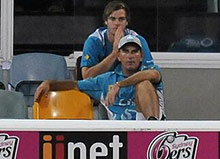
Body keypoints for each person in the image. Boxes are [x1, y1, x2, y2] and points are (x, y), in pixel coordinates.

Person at [35, 35, 165, 120]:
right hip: (119, 138)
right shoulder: (106, 80)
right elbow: (76, 85)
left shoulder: (151, 70)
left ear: (141, 56)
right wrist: (50, 84)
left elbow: (152, 75)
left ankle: (152, 128)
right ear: (118, 56)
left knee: (143, 84)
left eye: (134, 51)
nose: (130, 56)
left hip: (150, 134)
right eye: (125, 51)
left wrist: (119, 85)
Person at [81, 0, 155, 80]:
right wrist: (114, 53)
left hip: (129, 86)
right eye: (112, 19)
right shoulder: (94, 40)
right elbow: (86, 76)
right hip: (101, 87)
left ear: (127, 22)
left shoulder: (137, 40)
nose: (117, 23)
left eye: (121, 19)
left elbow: (150, 72)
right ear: (106, 21)